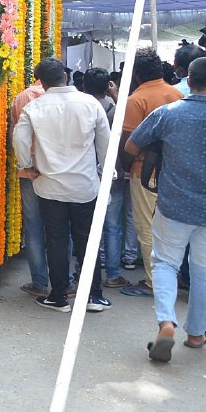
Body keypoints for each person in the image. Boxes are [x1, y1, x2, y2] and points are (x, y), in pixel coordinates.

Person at [126, 57, 206, 361]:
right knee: (204, 272)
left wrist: (161, 150)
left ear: (187, 79)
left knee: (165, 264)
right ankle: (196, 333)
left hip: (173, 205)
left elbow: (132, 146)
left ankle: (167, 322)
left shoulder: (167, 113)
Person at [13, 57, 112, 313]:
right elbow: (105, 141)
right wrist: (103, 171)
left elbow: (20, 139)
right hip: (85, 185)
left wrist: (27, 165)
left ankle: (58, 296)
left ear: (42, 83)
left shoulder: (35, 107)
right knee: (87, 240)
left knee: (56, 240)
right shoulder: (90, 102)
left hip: (50, 186)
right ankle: (93, 296)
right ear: (66, 77)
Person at [119, 47, 183, 297]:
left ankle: (153, 281)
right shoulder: (175, 93)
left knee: (146, 227)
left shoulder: (136, 100)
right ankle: (169, 276)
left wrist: (127, 169)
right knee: (170, 229)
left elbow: (129, 142)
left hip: (145, 172)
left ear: (135, 74)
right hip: (173, 171)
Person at [83, 67, 131, 290]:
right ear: (107, 87)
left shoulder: (80, 109)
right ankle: (112, 274)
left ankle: (85, 272)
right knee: (112, 226)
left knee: (86, 227)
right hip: (113, 174)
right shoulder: (115, 110)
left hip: (87, 173)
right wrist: (116, 94)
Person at [10, 66, 49, 297]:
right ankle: (65, 282)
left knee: (34, 227)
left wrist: (25, 164)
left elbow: (17, 137)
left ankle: (40, 283)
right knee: (60, 227)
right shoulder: (70, 101)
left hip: (29, 171)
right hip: (58, 171)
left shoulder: (22, 97)